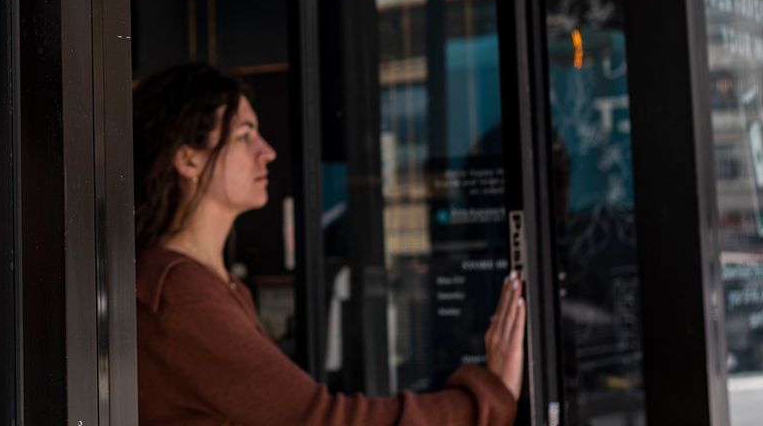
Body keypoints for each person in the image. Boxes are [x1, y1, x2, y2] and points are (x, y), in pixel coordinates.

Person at [134, 64, 524, 425]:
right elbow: (319, 419)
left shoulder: (206, 284)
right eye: (244, 135)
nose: (266, 152)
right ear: (188, 160)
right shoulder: (182, 294)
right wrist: (483, 402)